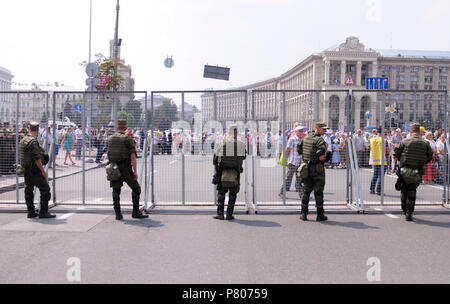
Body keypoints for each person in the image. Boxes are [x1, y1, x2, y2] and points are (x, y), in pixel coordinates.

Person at [107, 120, 148, 220]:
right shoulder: (128, 139)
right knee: (136, 188)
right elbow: (133, 157)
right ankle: (135, 212)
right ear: (125, 127)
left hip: (113, 167)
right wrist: (135, 171)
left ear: (117, 127)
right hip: (125, 167)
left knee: (116, 190)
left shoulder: (110, 138)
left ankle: (118, 214)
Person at [394, 123, 433, 221]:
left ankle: (404, 210)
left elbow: (396, 154)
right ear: (419, 131)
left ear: (410, 131)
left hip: (404, 170)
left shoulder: (405, 141)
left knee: (404, 191)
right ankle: (409, 213)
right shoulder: (425, 143)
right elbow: (430, 156)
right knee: (412, 192)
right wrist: (422, 162)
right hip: (417, 171)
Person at [19, 122, 55, 219]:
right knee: (45, 189)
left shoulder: (24, 140)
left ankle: (31, 211)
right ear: (38, 130)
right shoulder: (33, 142)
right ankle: (43, 212)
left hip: (26, 169)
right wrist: (43, 171)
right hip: (34, 170)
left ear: (29, 129)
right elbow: (37, 159)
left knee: (28, 190)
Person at [297, 122, 330, 222]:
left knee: (306, 191)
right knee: (318, 192)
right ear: (317, 129)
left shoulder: (306, 138)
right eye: (323, 129)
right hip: (317, 168)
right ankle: (320, 215)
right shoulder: (320, 140)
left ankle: (304, 213)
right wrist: (325, 151)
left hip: (306, 167)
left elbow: (299, 150)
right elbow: (322, 155)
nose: (325, 131)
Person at [213, 125, 246, 221]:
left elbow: (215, 157)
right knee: (233, 193)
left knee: (221, 193)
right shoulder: (240, 144)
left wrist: (217, 168)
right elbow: (243, 156)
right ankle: (229, 214)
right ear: (236, 132)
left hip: (223, 171)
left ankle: (220, 214)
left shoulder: (222, 143)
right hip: (235, 172)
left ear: (229, 132)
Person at [279, 126, 304, 197]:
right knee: (288, 178)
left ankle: (301, 194)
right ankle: (282, 192)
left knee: (299, 179)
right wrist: (286, 159)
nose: (301, 132)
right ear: (296, 132)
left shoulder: (302, 140)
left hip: (299, 162)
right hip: (292, 162)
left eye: (302, 131)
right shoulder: (292, 139)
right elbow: (287, 149)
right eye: (300, 131)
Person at [369, 128, 390, 195]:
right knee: (381, 176)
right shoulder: (384, 140)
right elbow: (387, 150)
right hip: (383, 160)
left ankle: (372, 189)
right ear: (382, 133)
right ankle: (378, 191)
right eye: (385, 133)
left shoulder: (372, 140)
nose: (386, 135)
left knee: (375, 175)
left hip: (375, 160)